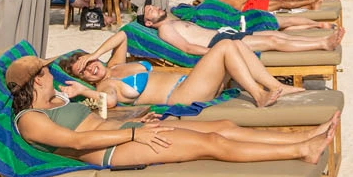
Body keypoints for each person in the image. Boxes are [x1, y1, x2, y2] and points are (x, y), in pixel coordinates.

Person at [8, 55, 336, 168]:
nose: (52, 72)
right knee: (211, 143)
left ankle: (306, 134)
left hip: (122, 134)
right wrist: (134, 132)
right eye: (46, 70)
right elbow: (77, 142)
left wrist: (133, 119)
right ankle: (301, 150)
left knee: (220, 124)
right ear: (37, 80)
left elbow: (94, 119)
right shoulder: (31, 121)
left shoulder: (58, 101)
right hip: (109, 152)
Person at [58, 27, 302, 107]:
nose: (91, 69)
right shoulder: (107, 84)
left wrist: (93, 53)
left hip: (192, 84)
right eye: (84, 72)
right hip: (183, 95)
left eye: (89, 64)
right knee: (226, 45)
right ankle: (259, 95)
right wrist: (83, 91)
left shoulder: (114, 65)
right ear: (85, 80)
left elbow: (122, 35)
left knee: (235, 46)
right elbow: (108, 102)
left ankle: (275, 85)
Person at [140, 2, 342, 55]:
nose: (155, 8)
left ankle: (321, 40)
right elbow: (187, 48)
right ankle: (323, 43)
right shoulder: (165, 30)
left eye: (154, 6)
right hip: (219, 42)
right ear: (149, 23)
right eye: (150, 10)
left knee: (273, 33)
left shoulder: (172, 21)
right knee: (273, 41)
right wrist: (215, 52)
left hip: (226, 34)